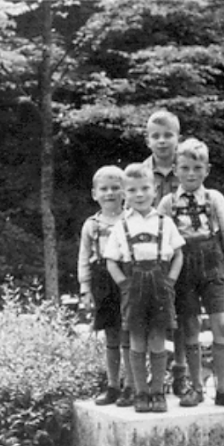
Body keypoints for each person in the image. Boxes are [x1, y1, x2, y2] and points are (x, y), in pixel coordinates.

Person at [158, 138, 224, 408]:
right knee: (190, 327)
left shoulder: (215, 198)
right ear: (175, 169)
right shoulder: (167, 203)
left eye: (197, 168)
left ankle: (223, 389)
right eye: (185, 168)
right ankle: (196, 387)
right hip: (182, 265)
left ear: (206, 170)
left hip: (212, 264)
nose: (191, 174)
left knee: (220, 323)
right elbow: (163, 242)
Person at [105, 164, 184, 413]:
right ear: (125, 195)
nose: (139, 194)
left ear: (155, 190)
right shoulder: (121, 226)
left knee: (158, 338)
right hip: (134, 284)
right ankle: (140, 393)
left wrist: (170, 280)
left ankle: (158, 392)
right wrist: (124, 285)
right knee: (137, 339)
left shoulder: (165, 222)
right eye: (133, 190)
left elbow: (178, 254)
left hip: (160, 284)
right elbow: (110, 261)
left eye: (145, 188)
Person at [140, 109, 189, 397]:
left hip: (180, 251)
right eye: (155, 136)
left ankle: (180, 371)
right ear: (148, 140)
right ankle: (151, 370)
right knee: (148, 317)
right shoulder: (141, 171)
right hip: (148, 255)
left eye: (168, 135)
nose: (162, 141)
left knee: (181, 313)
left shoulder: (186, 167)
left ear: (178, 139)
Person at [78, 165, 134, 407]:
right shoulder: (91, 225)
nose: (109, 193)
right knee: (111, 335)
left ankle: (132, 386)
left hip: (127, 278)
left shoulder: (132, 219)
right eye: (104, 189)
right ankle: (113, 385)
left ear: (125, 192)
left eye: (115, 188)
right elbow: (83, 257)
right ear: (94, 193)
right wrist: (85, 288)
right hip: (103, 282)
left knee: (129, 334)